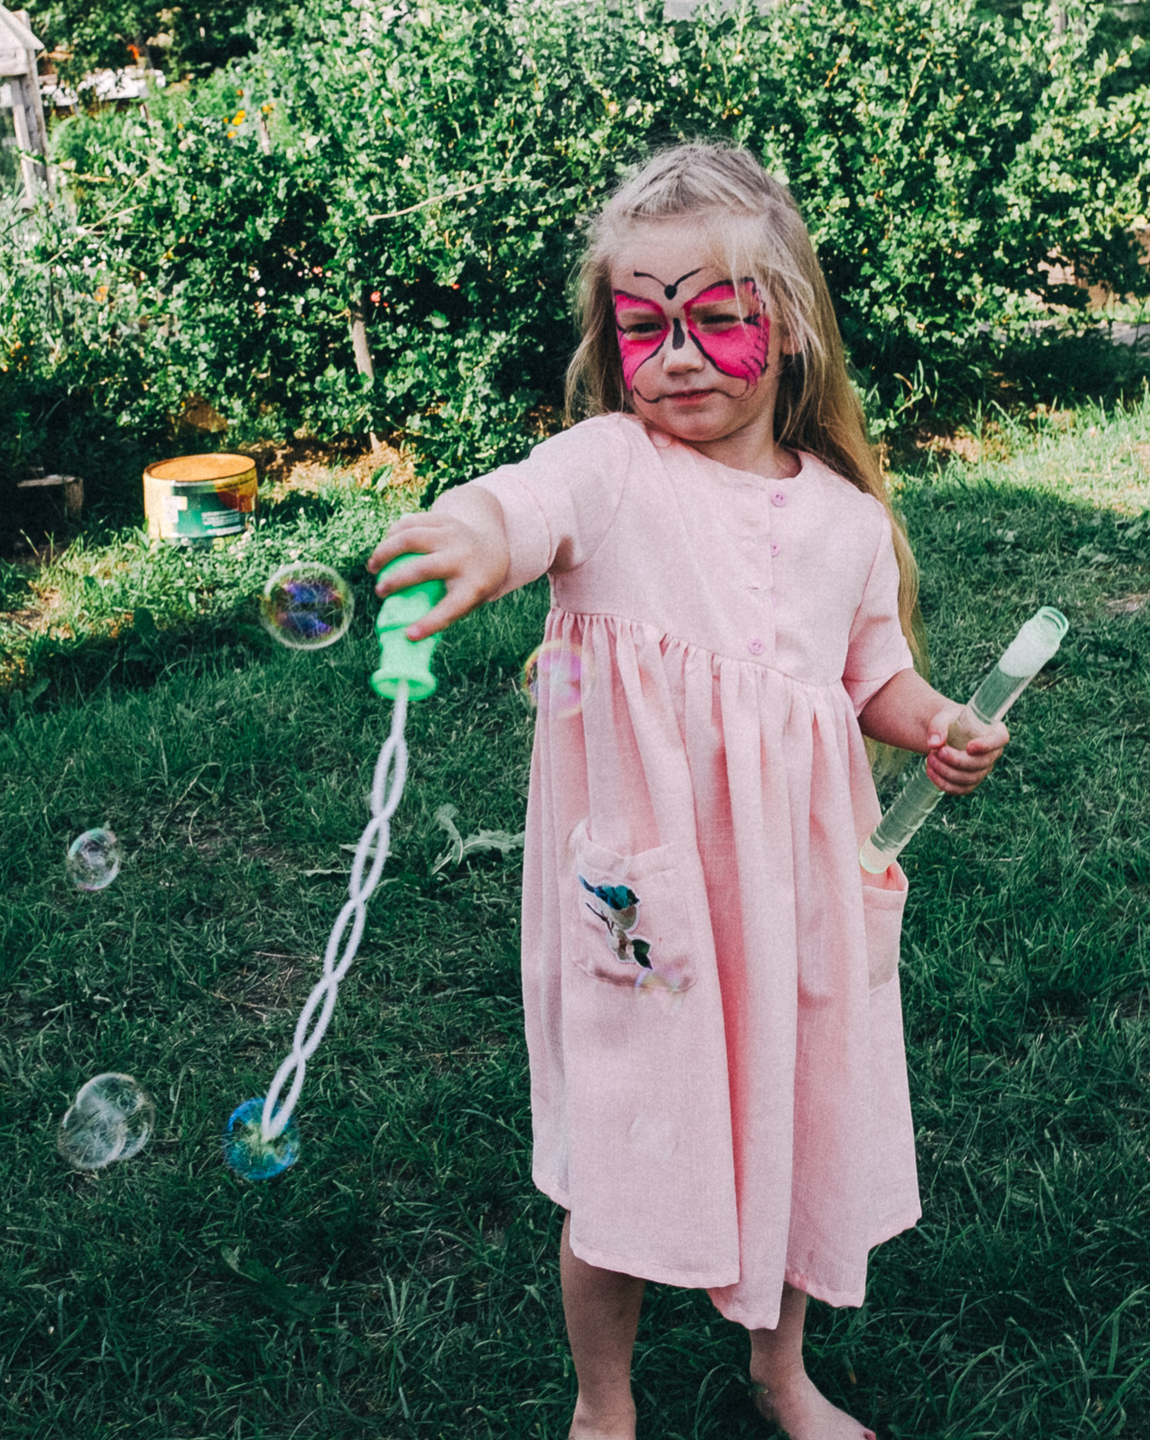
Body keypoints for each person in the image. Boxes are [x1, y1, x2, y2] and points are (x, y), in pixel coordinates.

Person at [365, 142, 1009, 1440]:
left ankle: (781, 1375)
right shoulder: (615, 466)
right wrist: (476, 539)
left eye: (715, 317)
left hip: (791, 900)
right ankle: (605, 1407)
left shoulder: (846, 524)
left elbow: (870, 669)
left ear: (786, 330)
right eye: (641, 323)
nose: (676, 357)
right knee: (625, 1144)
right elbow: (526, 503)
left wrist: (931, 721)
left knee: (786, 1115)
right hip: (641, 896)